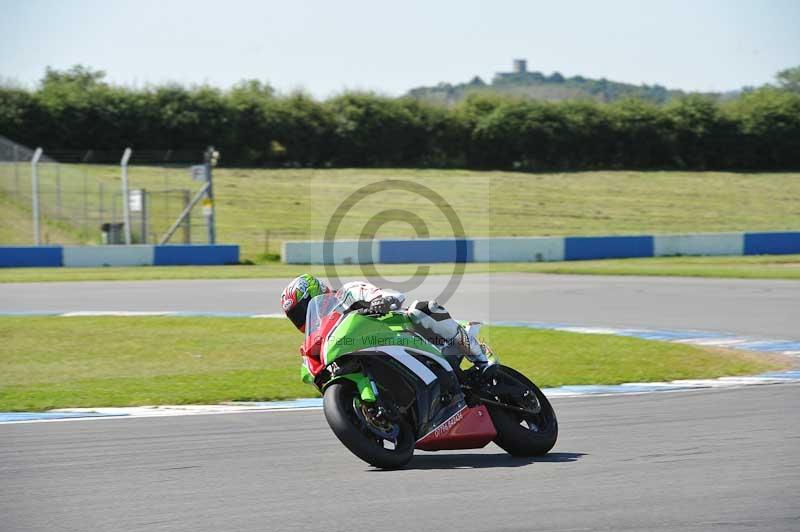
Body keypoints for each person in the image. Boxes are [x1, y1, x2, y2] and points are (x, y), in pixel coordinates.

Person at [280, 274, 495, 370]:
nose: (301, 318)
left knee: (421, 310)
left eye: (302, 310)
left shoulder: (346, 294)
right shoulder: (322, 341)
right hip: (371, 356)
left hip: (401, 333)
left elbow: (390, 295)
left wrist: (381, 301)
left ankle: (480, 356)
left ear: (316, 293)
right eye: (296, 317)